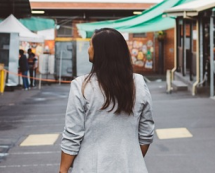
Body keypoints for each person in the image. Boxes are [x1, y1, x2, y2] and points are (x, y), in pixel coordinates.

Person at [60, 28, 155, 173]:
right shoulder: (139, 83)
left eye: (91, 45)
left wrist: (63, 170)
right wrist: (130, 158)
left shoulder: (81, 86)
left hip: (90, 167)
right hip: (131, 167)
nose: (88, 49)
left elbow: (72, 135)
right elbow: (146, 132)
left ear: (100, 51)